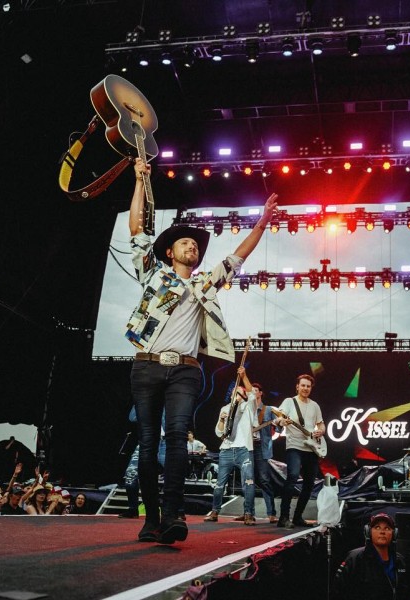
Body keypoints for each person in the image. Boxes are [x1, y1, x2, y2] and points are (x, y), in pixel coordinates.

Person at [126, 158, 278, 544]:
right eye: (185, 242)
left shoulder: (205, 285)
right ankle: (152, 518)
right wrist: (140, 180)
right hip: (146, 367)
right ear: (169, 253)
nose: (192, 246)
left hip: (185, 371)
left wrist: (261, 223)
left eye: (195, 244)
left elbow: (238, 257)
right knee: (148, 441)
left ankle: (175, 516)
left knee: (177, 435)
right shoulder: (153, 274)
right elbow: (136, 230)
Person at [275, 373, 325, 528]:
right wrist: (281, 421)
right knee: (293, 477)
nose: (305, 388)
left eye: (308, 386)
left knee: (309, 484)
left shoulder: (315, 405)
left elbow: (321, 424)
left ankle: (297, 517)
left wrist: (321, 431)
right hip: (294, 446)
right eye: (303, 385)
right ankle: (283, 517)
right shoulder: (289, 402)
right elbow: (278, 418)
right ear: (297, 386)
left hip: (311, 448)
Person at [204, 382, 258, 525]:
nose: (236, 395)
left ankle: (248, 513)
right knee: (220, 484)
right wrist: (222, 420)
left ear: (244, 395)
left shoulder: (248, 407)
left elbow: (252, 393)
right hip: (226, 450)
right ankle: (214, 511)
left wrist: (243, 376)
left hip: (243, 449)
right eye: (234, 393)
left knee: (248, 483)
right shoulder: (225, 408)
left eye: (239, 393)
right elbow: (219, 432)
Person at [334, 512, 410, 600]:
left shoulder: (400, 561)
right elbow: (338, 592)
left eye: (387, 528)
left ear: (394, 534)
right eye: (377, 527)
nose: (382, 532)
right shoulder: (355, 559)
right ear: (368, 532)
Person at [239, 366, 281, 523]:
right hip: (247, 446)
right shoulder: (245, 409)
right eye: (252, 390)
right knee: (247, 480)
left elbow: (279, 426)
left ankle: (271, 513)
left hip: (261, 448)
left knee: (264, 480)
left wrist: (278, 422)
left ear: (261, 393)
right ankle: (248, 512)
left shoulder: (269, 409)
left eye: (257, 390)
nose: (254, 392)